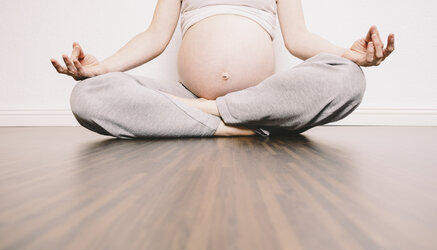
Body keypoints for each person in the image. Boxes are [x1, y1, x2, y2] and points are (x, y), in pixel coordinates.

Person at [51, 0, 395, 139]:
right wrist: (103, 68)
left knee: (349, 77)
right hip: (187, 95)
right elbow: (155, 36)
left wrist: (348, 55)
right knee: (86, 95)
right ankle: (228, 127)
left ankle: (209, 113)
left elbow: (298, 37)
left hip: (258, 96)